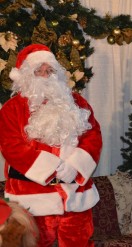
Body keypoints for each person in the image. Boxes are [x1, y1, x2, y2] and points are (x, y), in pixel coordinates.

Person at [0, 44, 103, 247]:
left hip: (75, 197)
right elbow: (11, 147)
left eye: (50, 71)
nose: (45, 76)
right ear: (26, 76)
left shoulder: (77, 102)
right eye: (38, 71)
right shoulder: (12, 109)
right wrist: (52, 170)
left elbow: (93, 136)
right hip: (32, 199)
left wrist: (75, 166)